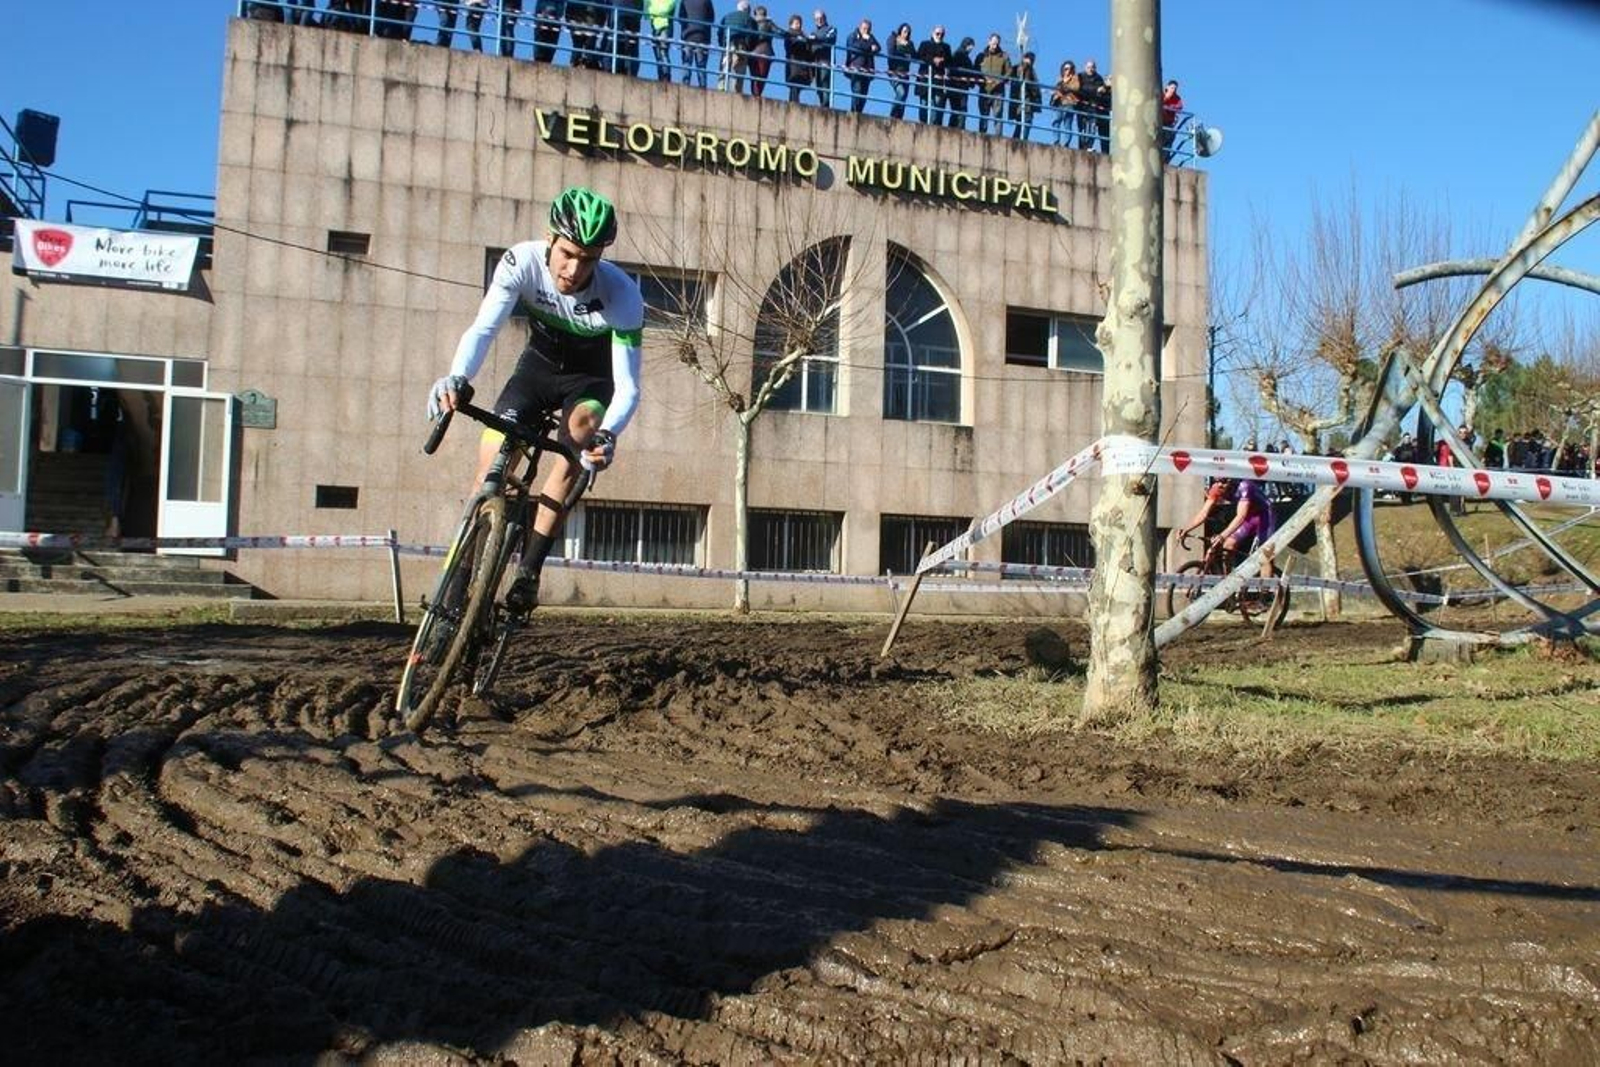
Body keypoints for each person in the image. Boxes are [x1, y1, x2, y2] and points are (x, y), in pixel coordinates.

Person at [426, 187, 645, 615]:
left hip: (590, 380)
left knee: (577, 437)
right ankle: (459, 584)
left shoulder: (623, 296)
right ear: (550, 238)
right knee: (492, 462)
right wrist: (457, 376)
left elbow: (628, 387)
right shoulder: (521, 262)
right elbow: (483, 329)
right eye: (567, 253)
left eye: (588, 259)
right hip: (537, 369)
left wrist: (609, 435)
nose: (575, 268)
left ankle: (528, 569)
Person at [1177, 477, 1277, 581]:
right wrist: (1187, 529)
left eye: (1224, 481)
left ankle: (1266, 592)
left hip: (1265, 515)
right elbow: (1203, 513)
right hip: (1249, 517)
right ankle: (1229, 584)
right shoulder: (1216, 488)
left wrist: (1222, 536)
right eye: (1217, 481)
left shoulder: (1245, 486)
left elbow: (1241, 516)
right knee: (1228, 546)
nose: (1220, 485)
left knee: (1265, 554)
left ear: (1231, 481)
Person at [975, 33, 1010, 136]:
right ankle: (982, 135)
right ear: (989, 41)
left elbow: (1009, 71)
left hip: (998, 91)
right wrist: (980, 81)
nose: (995, 45)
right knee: (983, 114)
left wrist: (1001, 80)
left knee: (998, 115)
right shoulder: (981, 56)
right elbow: (975, 71)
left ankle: (998, 137)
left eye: (997, 44)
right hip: (984, 90)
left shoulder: (1004, 56)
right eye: (993, 43)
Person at [915, 25, 951, 125]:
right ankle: (922, 125)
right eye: (937, 33)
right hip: (924, 78)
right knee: (924, 103)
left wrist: (942, 60)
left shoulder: (946, 47)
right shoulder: (924, 44)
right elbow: (919, 56)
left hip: (938, 80)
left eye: (942, 34)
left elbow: (950, 61)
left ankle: (932, 125)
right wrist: (933, 60)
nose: (940, 36)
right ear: (932, 33)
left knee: (937, 103)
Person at [843, 18, 880, 113]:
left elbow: (878, 47)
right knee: (857, 90)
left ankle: (859, 113)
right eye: (864, 28)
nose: (866, 31)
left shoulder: (870, 37)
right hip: (855, 68)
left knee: (864, 94)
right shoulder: (852, 36)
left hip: (867, 70)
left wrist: (870, 42)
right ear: (860, 27)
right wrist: (868, 46)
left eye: (868, 29)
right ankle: (853, 112)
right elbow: (854, 46)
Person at [719, 0, 756, 92]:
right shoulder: (749, 19)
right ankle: (735, 92)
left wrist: (722, 44)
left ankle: (721, 87)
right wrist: (749, 48)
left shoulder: (727, 17)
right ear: (747, 10)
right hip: (741, 46)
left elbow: (720, 32)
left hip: (728, 45)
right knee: (738, 70)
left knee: (725, 66)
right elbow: (753, 36)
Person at [678, 0, 714, 86]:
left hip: (688, 35)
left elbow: (680, 18)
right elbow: (711, 19)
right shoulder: (707, 1)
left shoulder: (684, 1)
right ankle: (702, 86)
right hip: (702, 36)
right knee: (701, 65)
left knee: (686, 62)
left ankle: (685, 84)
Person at [944, 36, 977, 130]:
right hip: (958, 86)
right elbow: (965, 70)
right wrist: (969, 81)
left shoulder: (961, 55)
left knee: (956, 109)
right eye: (971, 46)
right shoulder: (959, 55)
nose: (971, 49)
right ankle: (959, 128)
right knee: (961, 109)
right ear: (966, 45)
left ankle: (953, 127)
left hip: (958, 86)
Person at [746, 5, 780, 96]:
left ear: (755, 13)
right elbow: (779, 32)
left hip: (752, 52)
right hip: (765, 52)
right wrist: (789, 34)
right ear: (765, 14)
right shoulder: (768, 23)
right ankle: (757, 96)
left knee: (754, 77)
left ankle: (755, 95)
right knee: (762, 77)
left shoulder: (750, 22)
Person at [885, 22, 915, 119]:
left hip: (905, 74)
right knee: (900, 93)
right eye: (905, 31)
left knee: (904, 98)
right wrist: (905, 56)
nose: (906, 34)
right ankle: (893, 115)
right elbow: (891, 52)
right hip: (894, 71)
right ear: (900, 31)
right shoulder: (893, 39)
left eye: (908, 32)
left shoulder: (910, 43)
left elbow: (915, 56)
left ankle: (899, 118)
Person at [782, 14, 814, 103]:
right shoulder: (789, 34)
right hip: (794, 63)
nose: (798, 25)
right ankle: (793, 102)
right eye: (796, 23)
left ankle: (793, 102)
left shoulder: (803, 35)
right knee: (794, 83)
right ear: (791, 24)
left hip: (801, 64)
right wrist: (801, 40)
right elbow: (790, 46)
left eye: (799, 23)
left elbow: (808, 49)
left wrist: (807, 40)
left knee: (797, 85)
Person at [1009, 50, 1040, 139]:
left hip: (1027, 102)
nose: (1030, 61)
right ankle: (1019, 140)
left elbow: (1034, 86)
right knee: (1024, 122)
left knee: (1024, 123)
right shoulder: (1019, 68)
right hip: (1022, 101)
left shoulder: (1030, 71)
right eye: (1029, 59)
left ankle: (1018, 140)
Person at [1077, 58, 1107, 151]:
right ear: (1085, 67)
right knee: (1082, 128)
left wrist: (1100, 91)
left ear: (1095, 68)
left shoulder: (1099, 78)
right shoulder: (1080, 76)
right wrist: (1095, 90)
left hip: (1094, 107)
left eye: (1093, 67)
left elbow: (1102, 92)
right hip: (1082, 107)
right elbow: (1081, 89)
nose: (1091, 69)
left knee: (1092, 128)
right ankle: (1082, 147)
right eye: (1089, 67)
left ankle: (1089, 146)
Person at [808, 9, 837, 106]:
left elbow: (830, 39)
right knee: (819, 85)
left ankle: (826, 106)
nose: (819, 20)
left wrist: (816, 39)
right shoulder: (813, 33)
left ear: (825, 18)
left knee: (825, 83)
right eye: (816, 19)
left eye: (821, 18)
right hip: (815, 62)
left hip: (826, 60)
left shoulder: (831, 29)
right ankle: (822, 105)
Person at [1048, 60, 1080, 146]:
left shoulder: (1074, 78)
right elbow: (1056, 89)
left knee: (1067, 123)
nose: (1067, 71)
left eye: (1069, 68)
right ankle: (1056, 141)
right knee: (1056, 121)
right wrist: (1055, 95)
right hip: (1059, 103)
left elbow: (1075, 87)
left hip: (1069, 103)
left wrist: (1065, 84)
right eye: (1065, 69)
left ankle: (1066, 143)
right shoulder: (1059, 79)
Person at [647, 0, 677, 80]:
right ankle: (661, 77)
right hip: (654, 27)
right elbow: (647, 13)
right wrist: (657, 12)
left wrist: (655, 12)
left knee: (663, 53)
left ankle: (666, 76)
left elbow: (666, 9)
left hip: (665, 27)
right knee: (658, 56)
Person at [1160, 79, 1185, 162]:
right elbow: (1158, 103)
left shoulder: (1177, 99)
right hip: (1159, 122)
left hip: (1168, 124)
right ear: (1167, 87)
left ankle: (1165, 160)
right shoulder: (1161, 94)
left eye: (1175, 88)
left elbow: (1179, 108)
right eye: (1172, 88)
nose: (1173, 90)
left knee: (1169, 140)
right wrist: (1166, 98)